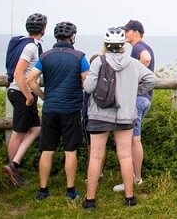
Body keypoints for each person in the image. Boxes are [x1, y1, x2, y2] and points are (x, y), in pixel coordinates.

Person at [82, 27, 156, 209]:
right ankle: (130, 198)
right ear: (123, 45)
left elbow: (88, 88)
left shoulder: (98, 62)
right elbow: (152, 80)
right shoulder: (133, 63)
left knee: (96, 156)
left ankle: (90, 200)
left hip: (99, 114)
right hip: (125, 115)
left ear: (106, 45)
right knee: (125, 155)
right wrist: (135, 91)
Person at [26, 21, 89, 201]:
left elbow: (31, 80)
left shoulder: (45, 56)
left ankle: (43, 191)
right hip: (71, 109)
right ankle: (70, 191)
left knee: (47, 149)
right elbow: (87, 81)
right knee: (71, 151)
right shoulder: (79, 57)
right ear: (72, 37)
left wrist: (44, 96)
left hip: (50, 109)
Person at [3, 12, 47, 187]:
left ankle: (13, 164)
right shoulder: (30, 47)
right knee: (19, 132)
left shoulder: (23, 43)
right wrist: (29, 96)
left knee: (35, 129)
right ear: (43, 29)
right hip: (21, 93)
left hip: (20, 92)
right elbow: (18, 74)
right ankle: (12, 169)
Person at [113, 19, 155, 193]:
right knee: (133, 139)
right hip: (144, 99)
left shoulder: (138, 47)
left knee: (133, 140)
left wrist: (133, 78)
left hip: (137, 100)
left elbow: (146, 58)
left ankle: (135, 178)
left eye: (127, 31)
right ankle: (135, 177)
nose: (125, 34)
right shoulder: (140, 46)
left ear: (136, 32)